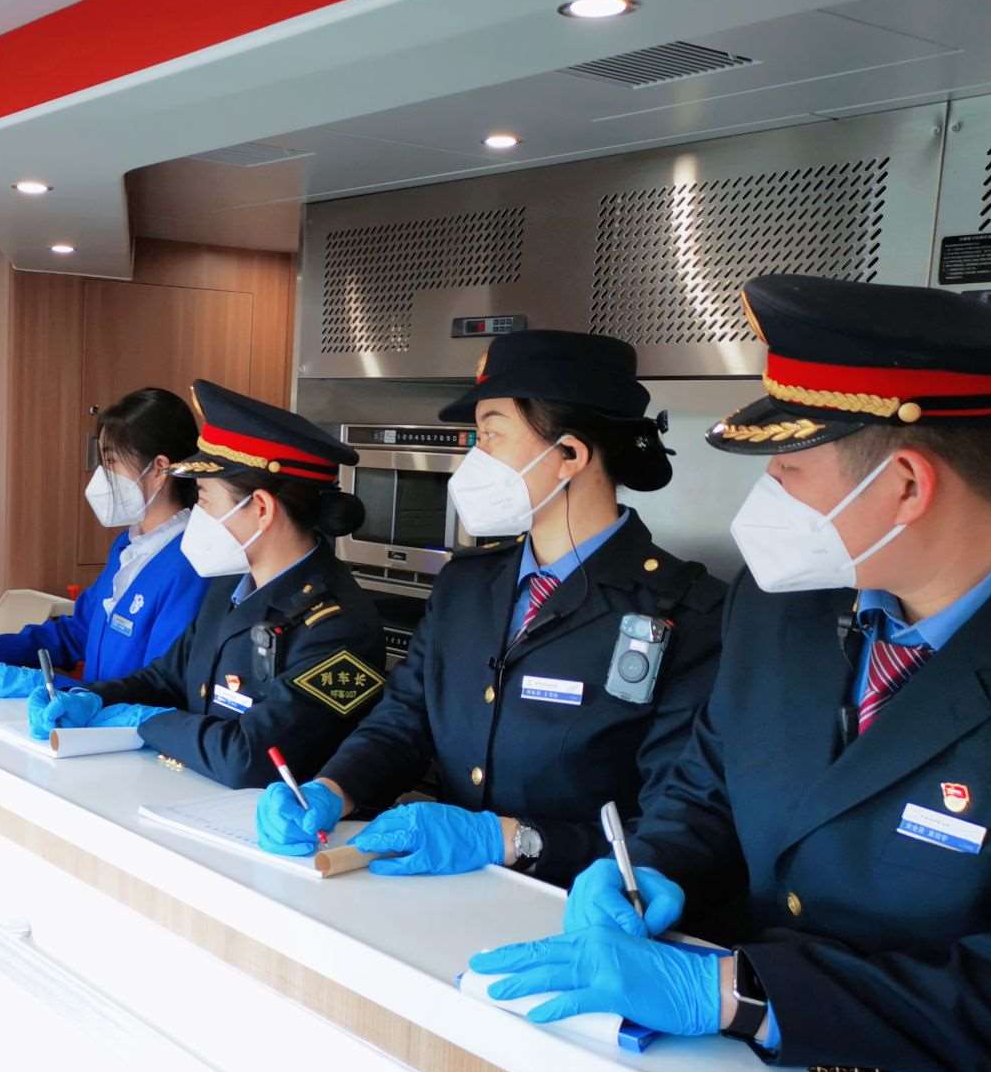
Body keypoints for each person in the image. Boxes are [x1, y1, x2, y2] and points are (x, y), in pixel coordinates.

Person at [471, 275, 991, 1072]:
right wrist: (649, 866)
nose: (767, 498)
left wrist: (741, 994)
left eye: (787, 466)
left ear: (906, 485)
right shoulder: (781, 602)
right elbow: (709, 787)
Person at [257, 331, 726, 882]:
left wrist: (513, 840)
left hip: (578, 904)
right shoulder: (467, 584)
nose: (473, 459)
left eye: (490, 436)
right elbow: (405, 718)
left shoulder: (687, 610)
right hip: (445, 890)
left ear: (569, 455)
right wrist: (333, 787)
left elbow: (680, 817)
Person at [31, 380, 385, 788]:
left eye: (203, 499)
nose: (196, 514)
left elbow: (247, 756)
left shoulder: (338, 627)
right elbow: (165, 678)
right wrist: (92, 698)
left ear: (261, 509)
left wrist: (148, 721)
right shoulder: (229, 587)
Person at [0, 387, 207, 697]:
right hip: (93, 720)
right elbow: (78, 631)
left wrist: (55, 688)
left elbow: (160, 688)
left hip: (124, 723)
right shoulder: (128, 545)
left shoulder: (190, 564)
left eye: (111, 461)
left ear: (159, 469)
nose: (101, 476)